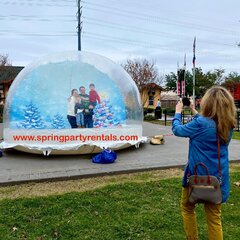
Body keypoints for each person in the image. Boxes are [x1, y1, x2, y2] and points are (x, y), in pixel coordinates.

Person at [172, 86, 236, 240]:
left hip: (196, 176)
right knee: (214, 219)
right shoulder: (228, 125)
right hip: (218, 179)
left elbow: (177, 130)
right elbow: (209, 124)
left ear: (207, 103)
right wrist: (194, 111)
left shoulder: (200, 124)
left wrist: (178, 112)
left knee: (187, 208)